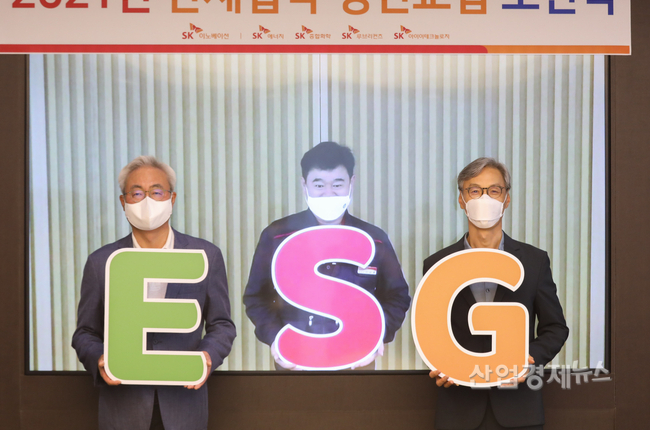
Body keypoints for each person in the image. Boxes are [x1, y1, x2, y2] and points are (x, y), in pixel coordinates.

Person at [72, 156, 236, 430]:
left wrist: (207, 357)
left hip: (185, 404)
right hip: (123, 405)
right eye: (137, 193)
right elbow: (85, 332)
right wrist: (99, 359)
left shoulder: (205, 256)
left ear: (172, 199)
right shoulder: (101, 262)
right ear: (123, 202)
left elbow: (222, 325)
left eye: (157, 192)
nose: (147, 200)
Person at [423, 157, 568, 430]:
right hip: (458, 410)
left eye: (494, 190)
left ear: (506, 199)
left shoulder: (534, 261)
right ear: (461, 199)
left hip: (519, 411)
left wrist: (528, 360)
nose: (484, 198)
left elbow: (555, 328)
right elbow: (430, 330)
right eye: (474, 190)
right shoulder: (437, 264)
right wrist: (439, 362)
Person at [243, 141, 411, 370]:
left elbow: (397, 296)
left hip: (357, 361)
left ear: (352, 183)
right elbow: (256, 297)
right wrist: (276, 338)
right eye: (319, 185)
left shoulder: (374, 239)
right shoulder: (277, 236)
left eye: (338, 184)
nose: (328, 193)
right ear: (304, 185)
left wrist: (377, 335)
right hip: (295, 360)